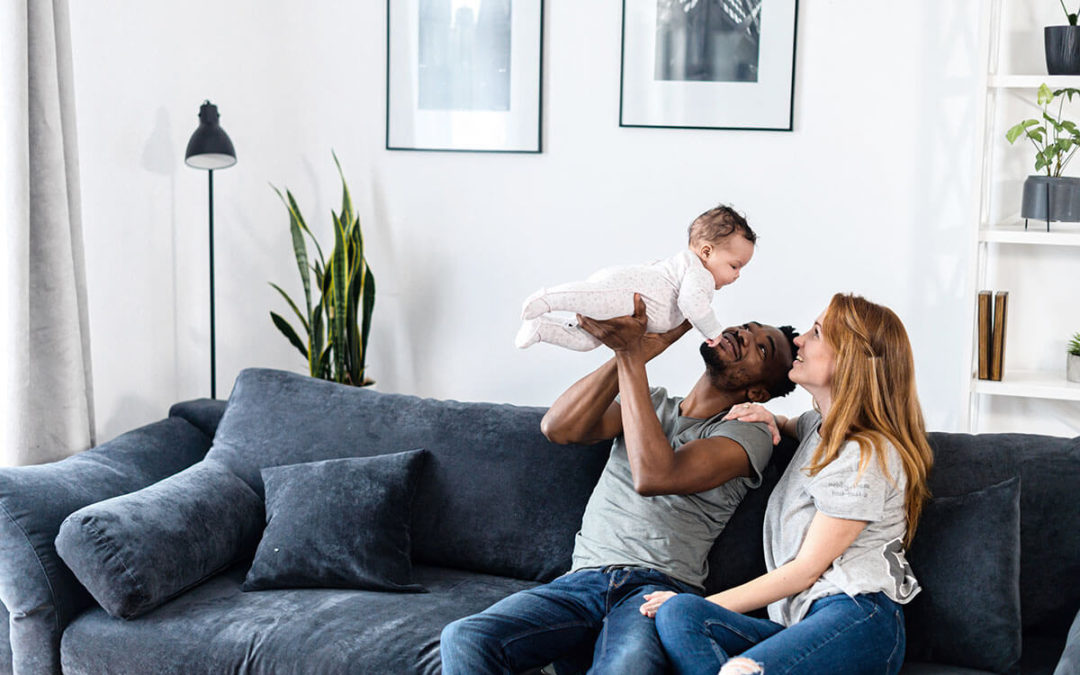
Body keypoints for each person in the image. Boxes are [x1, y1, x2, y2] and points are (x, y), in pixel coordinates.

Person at [441, 294, 799, 674]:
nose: (742, 335)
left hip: (656, 591)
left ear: (758, 393)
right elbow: (558, 428)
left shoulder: (750, 435)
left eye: (761, 347)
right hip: (581, 582)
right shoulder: (649, 402)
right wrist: (635, 351)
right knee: (465, 637)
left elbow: (656, 476)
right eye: (746, 327)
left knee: (626, 669)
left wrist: (631, 356)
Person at [640, 293, 934, 675]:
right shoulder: (819, 428)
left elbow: (805, 571)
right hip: (798, 624)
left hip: (858, 616)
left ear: (850, 360)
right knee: (681, 613)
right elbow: (790, 425)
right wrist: (768, 417)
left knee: (740, 668)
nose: (799, 340)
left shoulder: (864, 453)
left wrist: (713, 602)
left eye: (816, 333)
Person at [515, 204, 755, 352]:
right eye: (735, 266)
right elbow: (692, 303)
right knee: (588, 299)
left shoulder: (681, 268)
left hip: (627, 303)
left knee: (587, 341)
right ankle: (547, 299)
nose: (737, 275)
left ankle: (541, 329)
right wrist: (713, 332)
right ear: (706, 252)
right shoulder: (699, 274)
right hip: (625, 294)